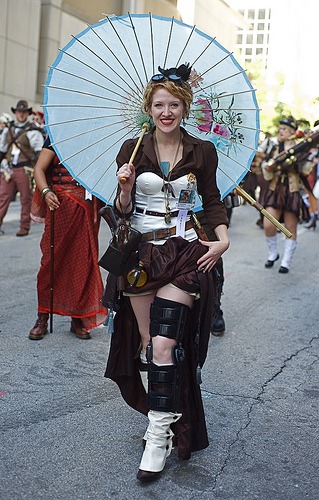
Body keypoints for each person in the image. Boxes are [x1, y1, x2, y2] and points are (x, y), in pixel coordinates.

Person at [103, 64, 229, 483]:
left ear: (184, 107)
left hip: (184, 252)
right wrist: (123, 187)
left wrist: (222, 239)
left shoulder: (202, 151)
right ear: (149, 109)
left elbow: (211, 201)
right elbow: (121, 213)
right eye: (159, 104)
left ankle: (157, 437)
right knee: (145, 341)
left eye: (174, 103)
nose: (166, 111)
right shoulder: (131, 149)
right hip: (139, 256)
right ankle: (167, 412)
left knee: (164, 343)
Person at [28, 137, 107, 340]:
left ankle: (77, 317)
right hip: (59, 206)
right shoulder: (54, 137)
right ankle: (42, 316)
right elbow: (39, 170)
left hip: (85, 208)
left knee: (82, 263)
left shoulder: (95, 140)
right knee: (50, 262)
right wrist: (45, 192)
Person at [262, 117, 313, 273]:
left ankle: (286, 261)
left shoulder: (301, 148)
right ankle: (273, 253)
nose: (280, 131)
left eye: (284, 129)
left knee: (290, 228)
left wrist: (299, 162)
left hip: (292, 191)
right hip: (275, 189)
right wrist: (269, 168)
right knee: (268, 224)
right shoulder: (275, 148)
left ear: (292, 132)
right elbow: (267, 175)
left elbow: (306, 170)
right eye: (280, 128)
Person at [0, 100, 44, 236]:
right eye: (19, 111)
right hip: (8, 168)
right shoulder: (8, 129)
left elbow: (39, 153)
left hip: (24, 169)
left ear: (27, 113)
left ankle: (24, 226)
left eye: (24, 112)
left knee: (25, 199)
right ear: (16, 112)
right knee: (3, 197)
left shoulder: (33, 130)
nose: (21, 114)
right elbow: (2, 149)